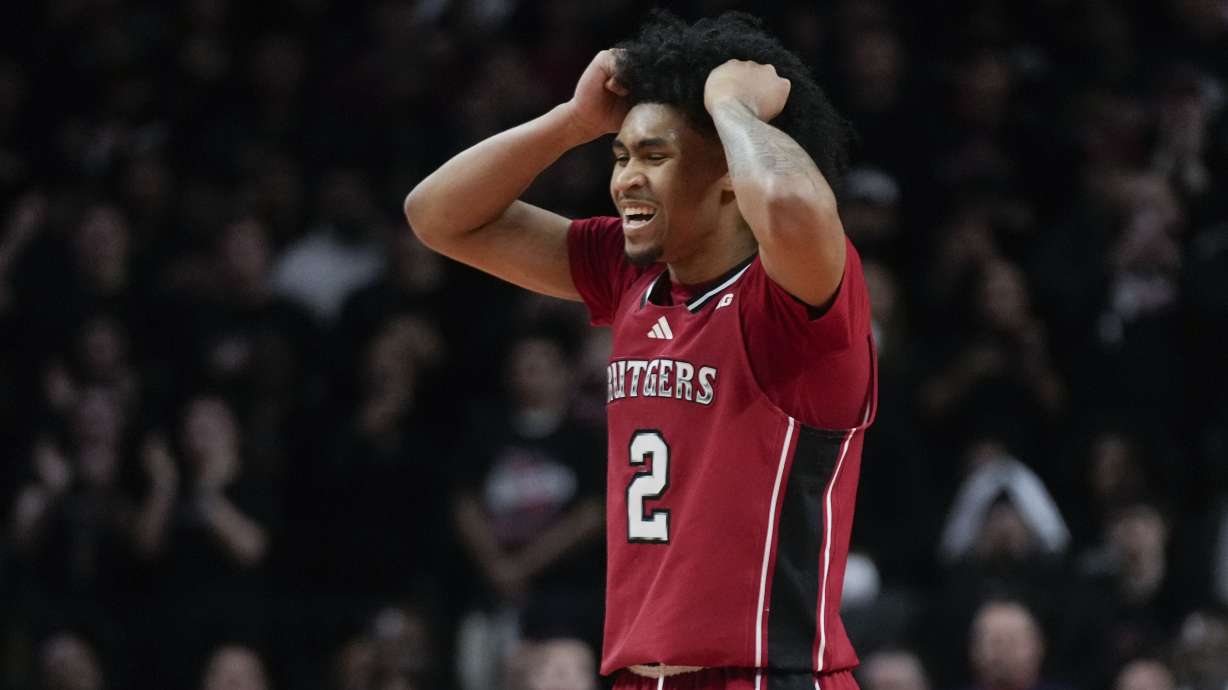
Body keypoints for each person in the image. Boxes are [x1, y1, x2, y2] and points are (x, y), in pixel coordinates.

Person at [405, 10, 875, 690]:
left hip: (769, 674)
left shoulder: (794, 302)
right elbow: (437, 215)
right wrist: (571, 121)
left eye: (655, 157)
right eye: (620, 156)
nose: (625, 179)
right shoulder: (632, 276)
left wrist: (731, 102)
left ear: (728, 179)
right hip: (639, 677)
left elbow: (793, 207)